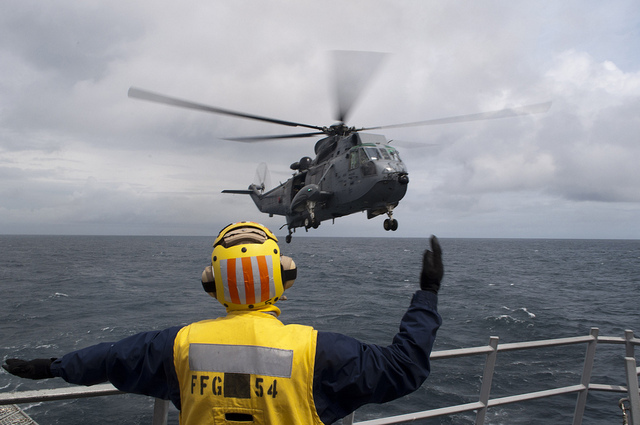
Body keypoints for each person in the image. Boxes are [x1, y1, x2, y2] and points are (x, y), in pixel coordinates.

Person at [2, 221, 443, 425]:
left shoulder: (181, 346)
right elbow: (404, 368)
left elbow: (111, 358)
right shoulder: (317, 351)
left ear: (212, 286)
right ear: (283, 279)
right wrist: (427, 293)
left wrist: (52, 366)